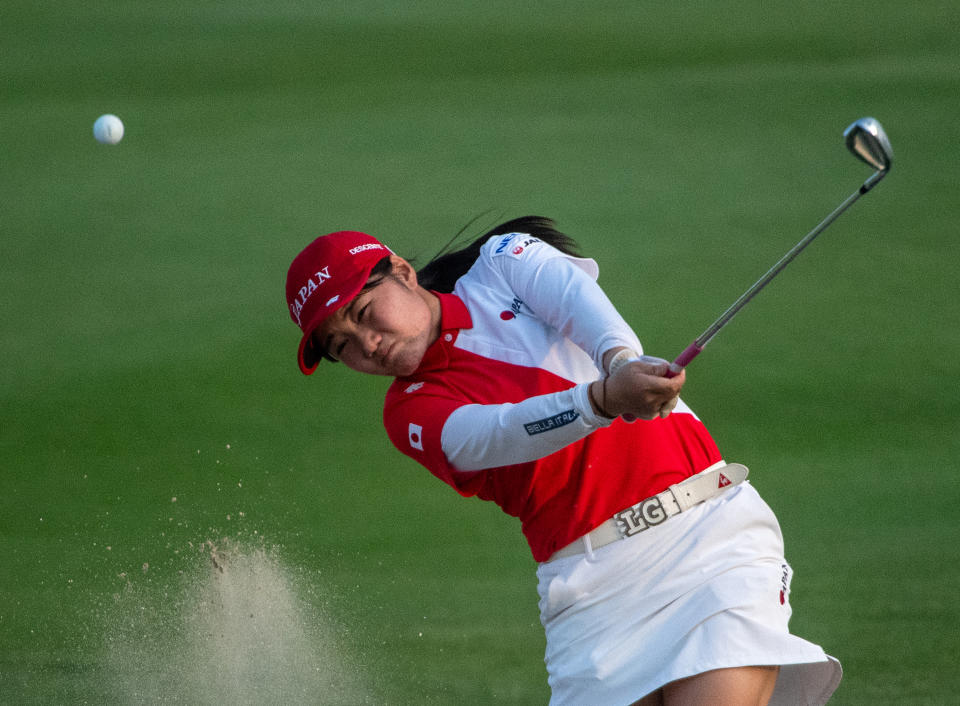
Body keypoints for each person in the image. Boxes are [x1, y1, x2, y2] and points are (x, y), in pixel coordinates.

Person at [285, 216, 842, 705]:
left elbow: (581, 307)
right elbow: (497, 435)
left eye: (362, 311)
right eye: (341, 346)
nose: (366, 343)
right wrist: (602, 400)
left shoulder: (503, 263)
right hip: (590, 591)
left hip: (708, 538)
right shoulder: (410, 412)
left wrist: (622, 363)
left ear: (402, 273)